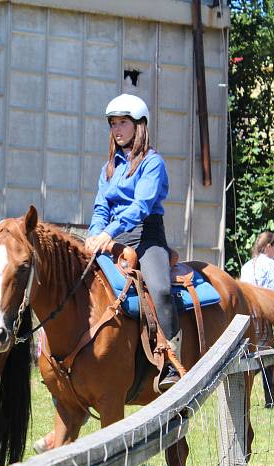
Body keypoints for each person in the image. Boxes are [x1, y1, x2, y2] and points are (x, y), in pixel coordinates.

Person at [86, 93, 181, 391]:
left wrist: (108, 233)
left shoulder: (153, 163)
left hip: (145, 235)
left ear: (139, 125)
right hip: (112, 237)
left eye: (123, 122)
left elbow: (141, 206)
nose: (117, 129)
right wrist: (94, 233)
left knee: (161, 290)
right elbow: (101, 206)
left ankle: (171, 361)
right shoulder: (108, 168)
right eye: (113, 123)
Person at [240, 231, 274, 407]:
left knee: (255, 353)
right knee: (266, 357)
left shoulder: (246, 266)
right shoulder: (272, 266)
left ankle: (269, 399)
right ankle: (269, 399)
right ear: (268, 246)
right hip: (264, 315)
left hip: (246, 315)